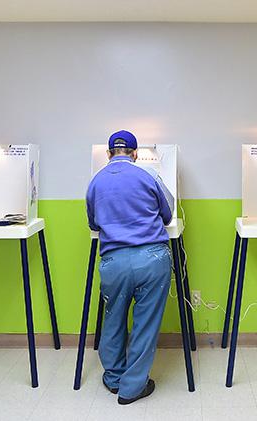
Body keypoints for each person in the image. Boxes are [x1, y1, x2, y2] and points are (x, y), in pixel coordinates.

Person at [85, 130, 174, 405]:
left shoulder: (95, 182)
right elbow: (168, 214)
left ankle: (114, 379)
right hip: (152, 259)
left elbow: (93, 223)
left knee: (113, 319)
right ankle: (132, 388)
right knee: (145, 324)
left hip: (115, 262)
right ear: (135, 154)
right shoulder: (148, 175)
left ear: (108, 153)